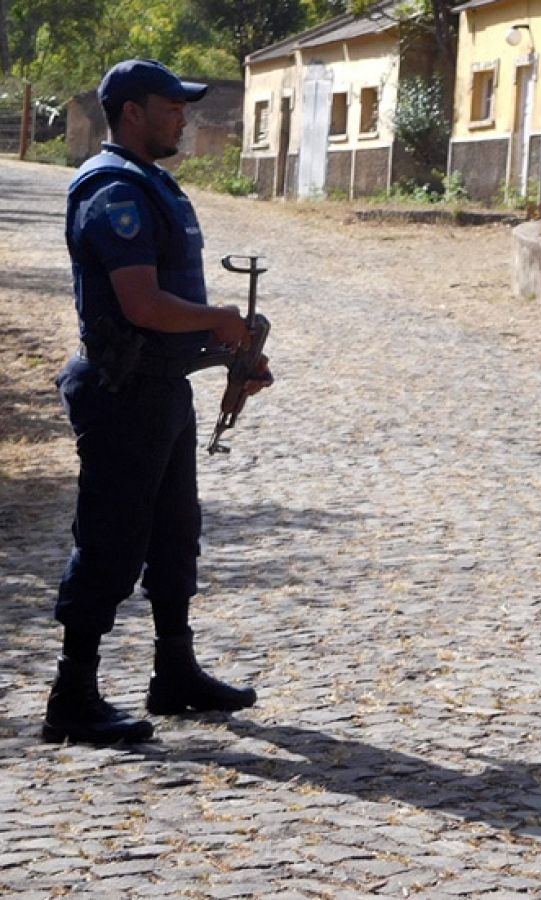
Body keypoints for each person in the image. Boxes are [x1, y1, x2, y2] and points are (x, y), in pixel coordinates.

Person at [42, 59, 273, 745]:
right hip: (121, 393)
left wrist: (233, 354)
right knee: (111, 540)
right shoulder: (111, 188)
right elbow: (140, 304)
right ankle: (72, 695)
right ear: (132, 112)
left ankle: (174, 672)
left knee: (175, 536)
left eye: (183, 105)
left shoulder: (156, 185)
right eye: (170, 105)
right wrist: (219, 319)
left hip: (160, 390)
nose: (184, 116)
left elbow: (168, 307)